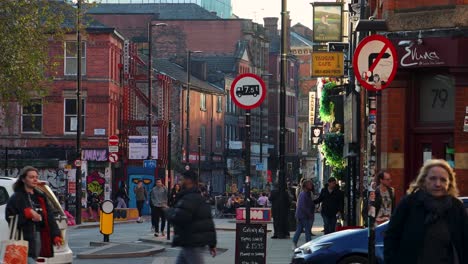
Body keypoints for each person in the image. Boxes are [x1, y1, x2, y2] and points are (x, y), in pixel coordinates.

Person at [384, 159, 468, 264]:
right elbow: (391, 236)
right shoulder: (409, 203)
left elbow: (465, 243)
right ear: (423, 180)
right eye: (432, 178)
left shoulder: (456, 207)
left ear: (449, 183)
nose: (437, 184)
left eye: (443, 180)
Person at [5, 166, 63, 264]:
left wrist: (56, 235)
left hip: (39, 236)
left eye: (36, 177)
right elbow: (10, 218)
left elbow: (49, 217)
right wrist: (26, 215)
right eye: (31, 177)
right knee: (30, 260)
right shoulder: (17, 197)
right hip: (23, 238)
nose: (35, 179)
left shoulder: (40, 196)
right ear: (23, 179)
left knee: (34, 258)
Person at [165, 170, 217, 264]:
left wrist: (168, 211)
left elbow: (179, 218)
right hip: (190, 242)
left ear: (188, 181)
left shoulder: (189, 198)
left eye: (181, 180)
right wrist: (212, 245)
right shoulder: (200, 198)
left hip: (191, 242)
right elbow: (209, 222)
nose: (179, 182)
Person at [292, 179, 315, 248]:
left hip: (302, 215)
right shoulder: (303, 194)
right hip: (303, 215)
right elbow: (302, 206)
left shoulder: (307, 193)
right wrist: (309, 214)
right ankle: (308, 245)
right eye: (309, 184)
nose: (311, 185)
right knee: (307, 229)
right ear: (305, 186)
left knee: (299, 229)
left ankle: (294, 243)